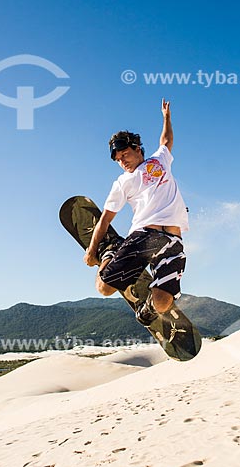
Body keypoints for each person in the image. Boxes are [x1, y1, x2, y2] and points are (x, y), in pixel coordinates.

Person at [84, 98, 189, 326]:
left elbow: (167, 140)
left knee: (162, 302)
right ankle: (110, 252)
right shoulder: (123, 182)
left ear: (136, 148)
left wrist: (166, 118)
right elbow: (104, 220)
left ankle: (147, 309)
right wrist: (92, 250)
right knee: (104, 288)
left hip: (172, 241)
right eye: (118, 160)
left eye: (124, 155)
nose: (122, 162)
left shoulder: (159, 160)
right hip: (143, 237)